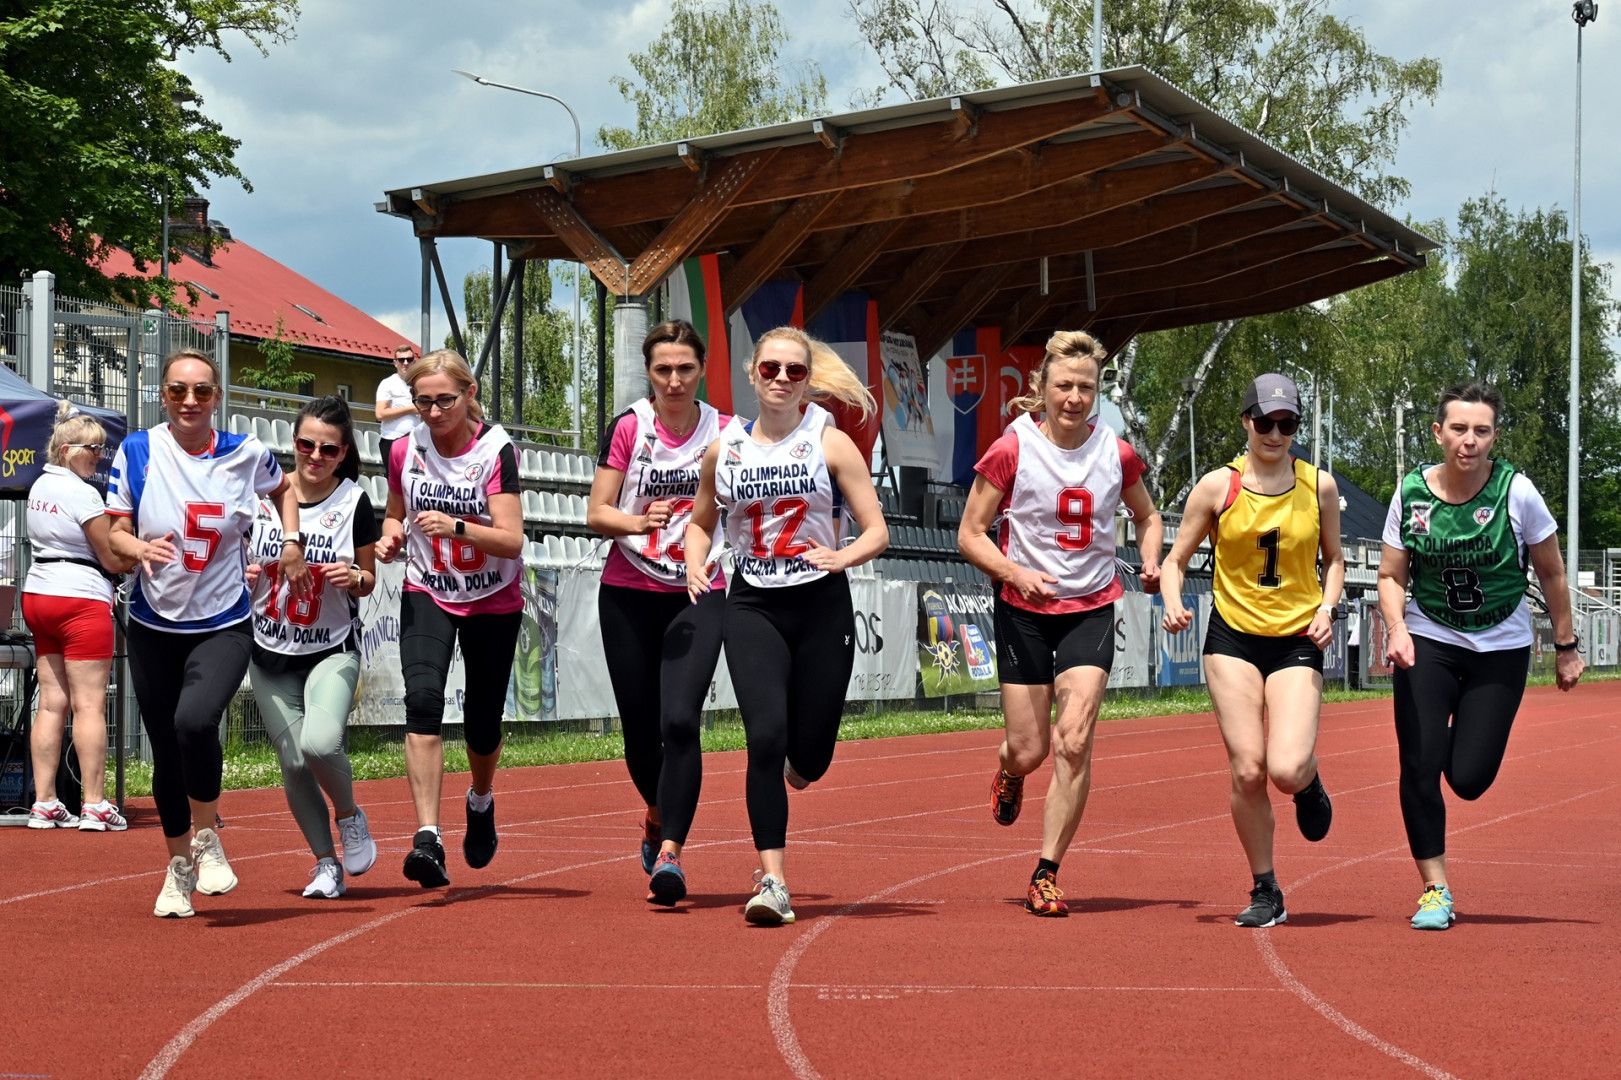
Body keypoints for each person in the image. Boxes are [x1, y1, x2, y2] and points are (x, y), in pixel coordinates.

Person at [686, 327, 888, 926]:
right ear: (752, 373)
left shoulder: (829, 442)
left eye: (794, 371)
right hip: (753, 604)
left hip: (821, 602)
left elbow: (877, 530)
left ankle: (804, 763)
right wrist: (696, 562)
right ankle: (773, 881)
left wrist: (842, 556)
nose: (781, 379)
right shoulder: (725, 450)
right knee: (765, 737)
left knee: (812, 757)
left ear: (807, 380)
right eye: (771, 368)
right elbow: (700, 522)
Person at [957, 330, 1163, 917]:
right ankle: (1009, 769)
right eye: (1065, 386)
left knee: (1074, 740)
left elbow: (1148, 516)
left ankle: (1046, 872)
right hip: (1023, 609)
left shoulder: (1116, 453)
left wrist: (1151, 559)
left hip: (1090, 606)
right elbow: (970, 534)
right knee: (1030, 749)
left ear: (1098, 393)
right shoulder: (1012, 448)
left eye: (1086, 388)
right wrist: (1014, 573)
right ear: (1043, 388)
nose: (1074, 398)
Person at [108, 349, 311, 918]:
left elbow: (284, 489)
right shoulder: (138, 450)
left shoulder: (245, 453)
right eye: (178, 390)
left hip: (223, 620)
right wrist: (137, 548)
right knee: (165, 751)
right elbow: (115, 530)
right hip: (153, 622)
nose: (190, 401)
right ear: (163, 396)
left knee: (195, 721)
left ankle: (206, 836)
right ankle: (178, 867)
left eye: (201, 390)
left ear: (217, 397)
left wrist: (290, 540)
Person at [1378, 381, 1583, 930]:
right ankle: (1435, 890)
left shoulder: (1517, 492)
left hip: (1500, 645)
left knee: (1468, 778)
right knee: (1419, 764)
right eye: (1459, 429)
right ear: (1438, 432)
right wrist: (1397, 628)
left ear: (1494, 437)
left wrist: (1566, 646)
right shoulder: (1411, 493)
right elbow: (1391, 575)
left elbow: (1552, 573)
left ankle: (1454, 734)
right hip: (1429, 638)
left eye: (1481, 431)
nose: (1469, 440)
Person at [1160, 373, 1343, 929]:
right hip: (1233, 637)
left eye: (1287, 424)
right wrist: (1173, 600)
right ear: (1246, 421)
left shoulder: (1319, 487)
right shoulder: (1218, 487)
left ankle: (1308, 781)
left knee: (1284, 768)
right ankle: (1266, 887)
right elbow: (1175, 559)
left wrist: (1327, 608)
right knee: (1247, 769)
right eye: (1265, 422)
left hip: (1296, 638)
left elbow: (1335, 559)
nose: (1275, 434)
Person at [587, 320, 728, 906]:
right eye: (663, 369)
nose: (674, 380)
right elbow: (597, 512)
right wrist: (637, 521)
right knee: (642, 735)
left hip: (699, 588)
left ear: (702, 370)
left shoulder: (725, 432)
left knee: (680, 722)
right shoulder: (629, 427)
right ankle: (655, 812)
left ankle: (671, 852)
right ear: (648, 372)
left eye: (685, 369)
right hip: (628, 589)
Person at [374, 349, 524, 889]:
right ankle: (427, 837)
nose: (434, 413)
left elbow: (511, 539)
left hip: (492, 596)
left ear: (469, 394)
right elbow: (394, 513)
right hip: (428, 588)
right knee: (422, 701)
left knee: (482, 723)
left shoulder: (495, 450)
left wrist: (458, 526)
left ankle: (480, 799)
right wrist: (391, 536)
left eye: (444, 400)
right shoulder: (403, 448)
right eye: (423, 402)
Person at [246, 396, 380, 899]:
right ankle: (325, 863)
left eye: (329, 449)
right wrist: (245, 575)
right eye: (306, 445)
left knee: (320, 744)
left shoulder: (353, 501)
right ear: (293, 442)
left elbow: (369, 578)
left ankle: (349, 816)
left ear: (344, 453)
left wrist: (355, 577)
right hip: (269, 650)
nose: (315, 456)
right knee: (295, 762)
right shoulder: (262, 497)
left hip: (329, 647)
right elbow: (234, 561)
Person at [22, 403, 135, 831]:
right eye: (93, 449)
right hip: (79, 597)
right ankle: (94, 803)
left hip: (39, 592)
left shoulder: (39, 484)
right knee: (89, 704)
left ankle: (45, 801)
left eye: (102, 449)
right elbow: (110, 557)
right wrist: (138, 557)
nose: (99, 457)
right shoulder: (84, 494)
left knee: (52, 703)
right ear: (67, 449)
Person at [374, 344, 419, 466]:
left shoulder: (419, 383)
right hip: (392, 440)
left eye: (409, 359)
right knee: (394, 477)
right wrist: (411, 409)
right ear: (395, 363)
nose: (405, 363)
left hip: (416, 441)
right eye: (401, 360)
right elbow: (380, 414)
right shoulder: (388, 383)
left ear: (414, 362)